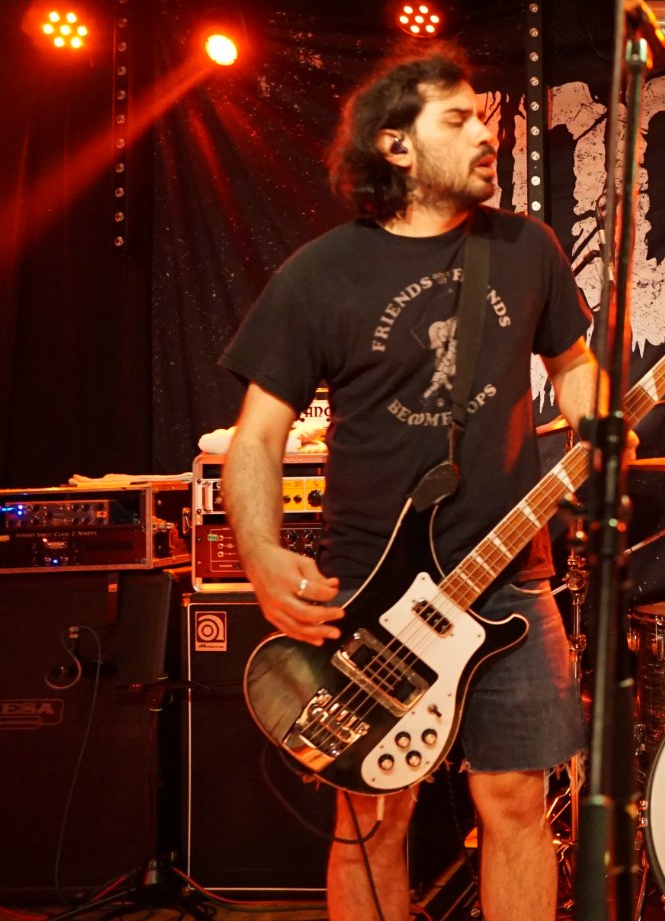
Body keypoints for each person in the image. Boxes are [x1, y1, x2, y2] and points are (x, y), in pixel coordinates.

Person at [221, 50, 602, 921]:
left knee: (516, 802)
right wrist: (260, 554)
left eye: (484, 118)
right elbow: (258, 437)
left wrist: (595, 424)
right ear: (395, 145)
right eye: (458, 120)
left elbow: (573, 363)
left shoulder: (524, 248)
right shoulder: (321, 274)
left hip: (511, 577)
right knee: (371, 817)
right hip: (371, 587)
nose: (485, 134)